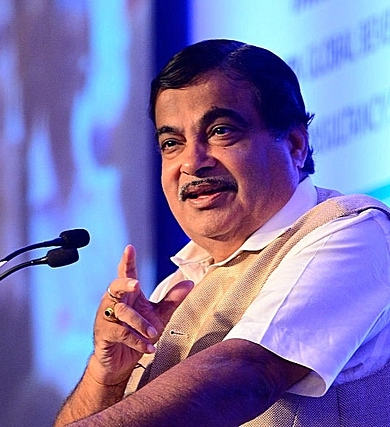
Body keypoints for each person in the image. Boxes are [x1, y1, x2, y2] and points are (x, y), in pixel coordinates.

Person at [54, 39, 390, 426]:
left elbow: (248, 373)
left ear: (296, 145)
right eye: (171, 143)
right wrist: (105, 374)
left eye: (220, 131)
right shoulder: (173, 290)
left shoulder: (352, 231)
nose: (192, 162)